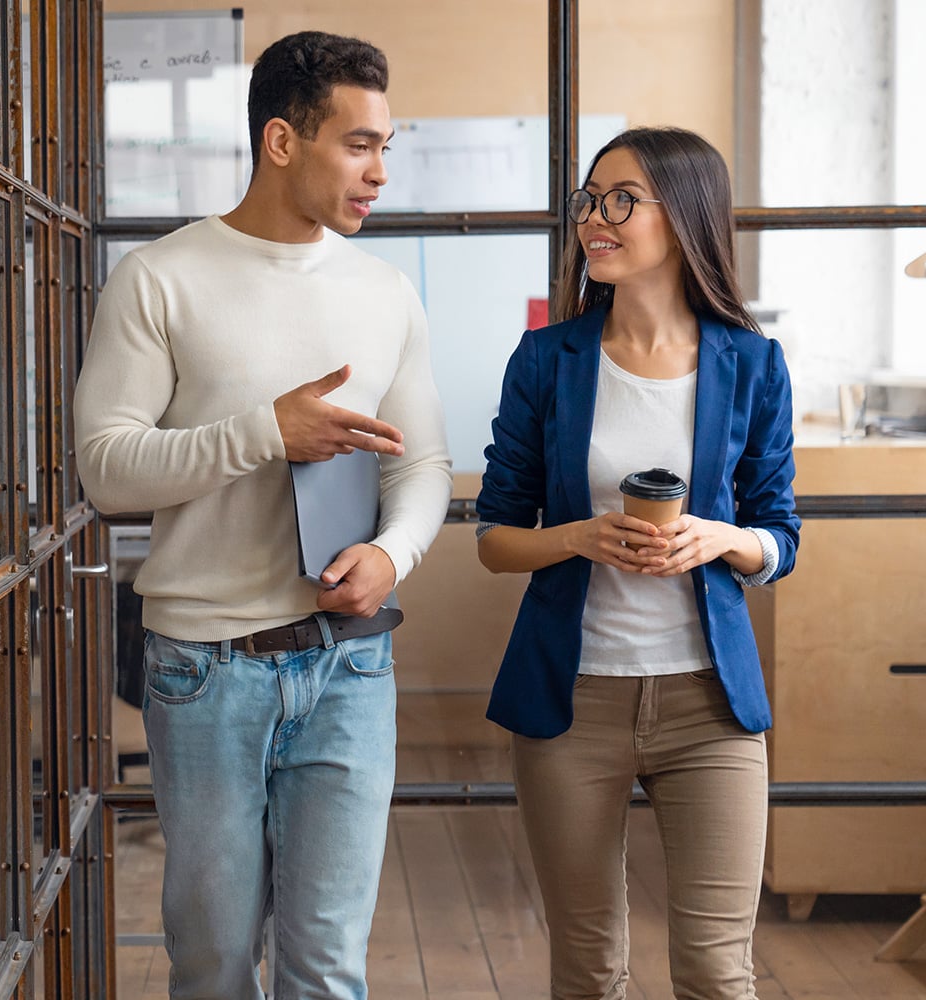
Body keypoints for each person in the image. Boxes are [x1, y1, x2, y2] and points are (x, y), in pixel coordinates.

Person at [74, 30, 452, 1000]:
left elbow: (422, 465)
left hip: (350, 659)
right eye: (358, 145)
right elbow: (106, 471)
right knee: (211, 964)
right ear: (282, 141)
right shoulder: (160, 278)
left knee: (326, 965)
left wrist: (392, 551)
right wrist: (263, 432)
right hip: (205, 668)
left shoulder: (384, 292)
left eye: (387, 147)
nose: (379, 172)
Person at [475, 126, 800, 1000]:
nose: (595, 219)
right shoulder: (548, 360)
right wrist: (577, 536)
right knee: (587, 970)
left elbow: (780, 536)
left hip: (710, 706)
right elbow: (495, 537)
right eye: (590, 200)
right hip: (571, 702)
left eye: (621, 200)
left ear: (685, 216)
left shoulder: (754, 363)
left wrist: (721, 539)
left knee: (716, 971)